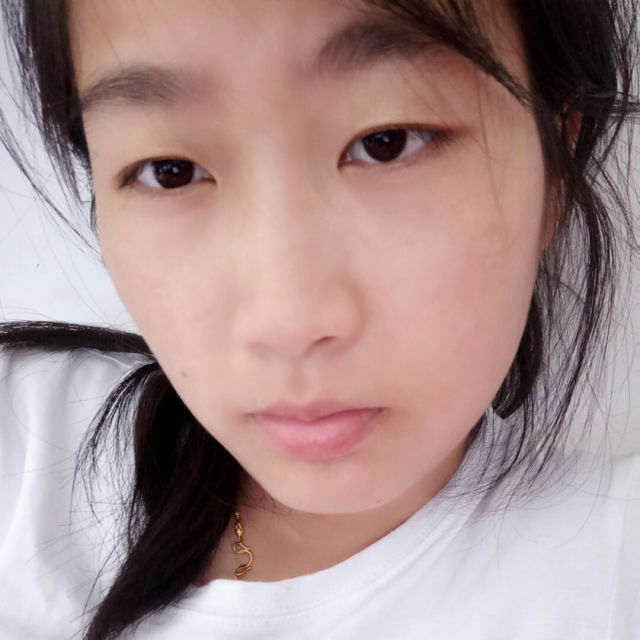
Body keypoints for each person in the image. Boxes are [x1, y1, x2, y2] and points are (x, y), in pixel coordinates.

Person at [0, 0, 639, 638]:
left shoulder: (609, 573)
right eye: (171, 172)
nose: (286, 324)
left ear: (555, 165)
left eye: (387, 143)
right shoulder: (26, 433)